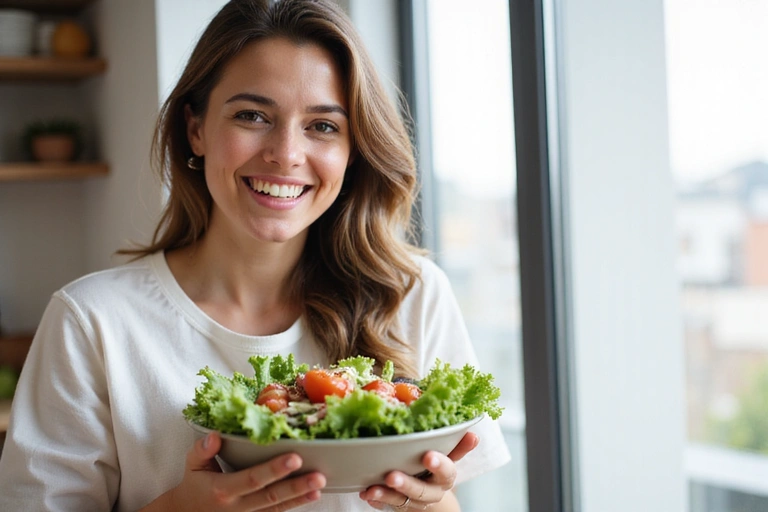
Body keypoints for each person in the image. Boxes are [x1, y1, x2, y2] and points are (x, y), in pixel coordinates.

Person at [0, 0, 511, 510]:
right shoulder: (92, 322)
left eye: (323, 126)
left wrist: (429, 502)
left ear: (354, 150)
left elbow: (447, 500)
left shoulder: (411, 294)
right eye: (252, 115)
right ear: (195, 129)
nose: (286, 153)